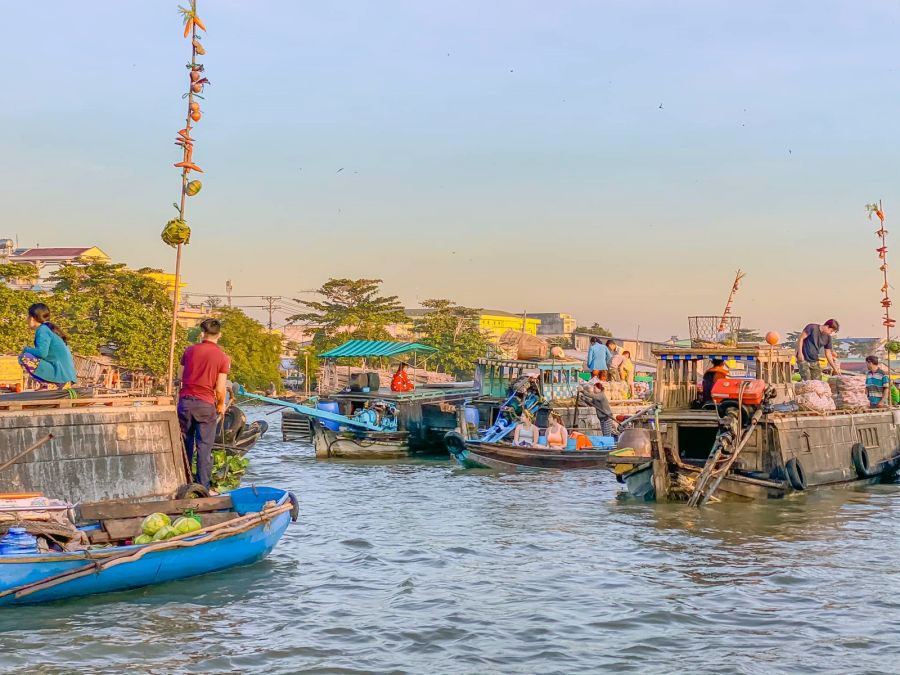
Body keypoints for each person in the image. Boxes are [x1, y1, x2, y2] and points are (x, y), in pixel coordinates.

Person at [177, 318, 231, 490]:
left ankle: (184, 483)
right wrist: (221, 404)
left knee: (185, 445)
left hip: (185, 403)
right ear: (219, 335)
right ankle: (202, 488)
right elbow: (220, 388)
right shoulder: (222, 357)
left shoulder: (189, 351)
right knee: (204, 448)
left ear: (202, 333)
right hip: (205, 405)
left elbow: (180, 376)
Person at [18, 303, 77, 390]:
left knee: (24, 357)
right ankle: (50, 383)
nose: (26, 319)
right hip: (65, 373)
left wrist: (26, 349)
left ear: (33, 318)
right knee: (28, 356)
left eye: (28, 316)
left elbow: (42, 353)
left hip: (61, 373)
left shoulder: (43, 330)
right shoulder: (48, 328)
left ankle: (52, 384)